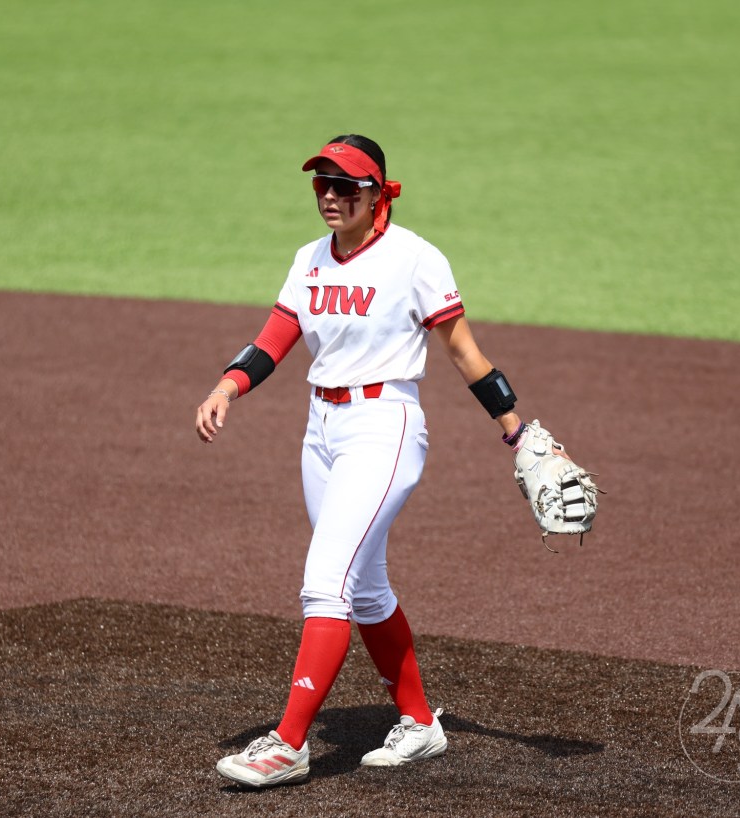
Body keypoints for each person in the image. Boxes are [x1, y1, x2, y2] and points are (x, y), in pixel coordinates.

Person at [195, 134, 528, 788]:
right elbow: (276, 336)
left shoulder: (414, 258)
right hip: (321, 430)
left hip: (383, 427)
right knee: (367, 587)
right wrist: (227, 387)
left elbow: (463, 351)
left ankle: (289, 745)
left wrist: (515, 429)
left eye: (345, 185)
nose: (330, 196)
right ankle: (420, 723)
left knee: (327, 583)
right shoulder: (310, 258)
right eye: (321, 183)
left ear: (378, 194)